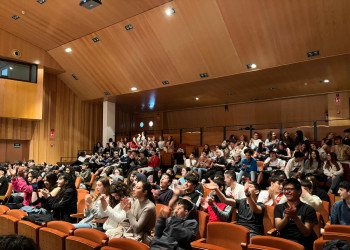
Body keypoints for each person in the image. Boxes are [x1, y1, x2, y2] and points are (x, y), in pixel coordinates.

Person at [274, 178, 318, 250]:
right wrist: (286, 217)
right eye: (285, 189)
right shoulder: (279, 207)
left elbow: (306, 233)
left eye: (290, 189)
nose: (287, 192)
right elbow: (278, 228)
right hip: (283, 241)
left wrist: (295, 218)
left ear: (298, 191)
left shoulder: (309, 209)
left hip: (301, 243)